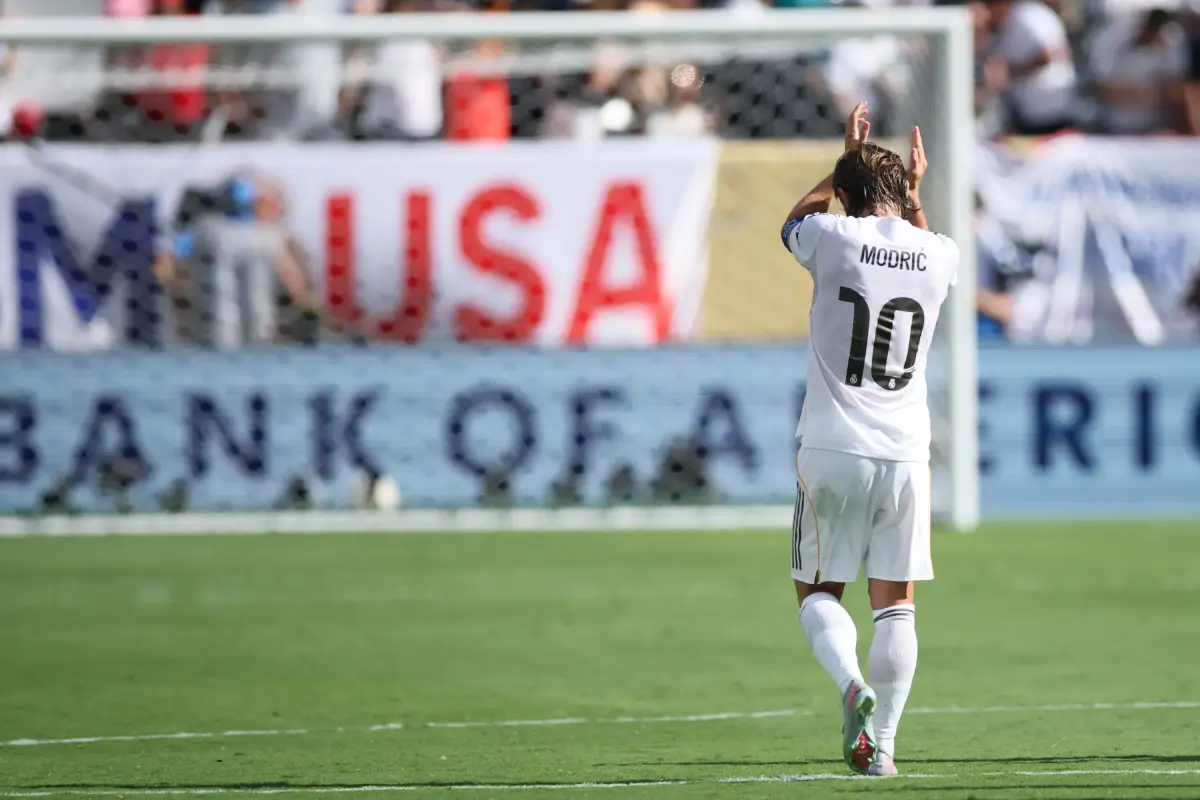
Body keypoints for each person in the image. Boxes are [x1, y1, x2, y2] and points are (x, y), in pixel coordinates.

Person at [779, 101, 959, 778]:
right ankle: (882, 746)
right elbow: (920, 241)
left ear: (847, 199)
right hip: (906, 450)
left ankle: (851, 684)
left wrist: (838, 165)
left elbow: (792, 223)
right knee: (897, 605)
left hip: (831, 442)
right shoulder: (941, 252)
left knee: (820, 593)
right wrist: (913, 198)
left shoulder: (832, 237)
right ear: (904, 193)